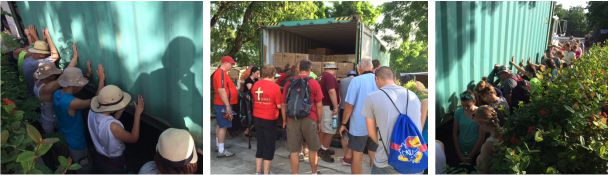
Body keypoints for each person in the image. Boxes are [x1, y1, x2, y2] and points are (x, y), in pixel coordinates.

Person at [363, 66, 422, 174]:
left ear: (377, 79)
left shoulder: (372, 97)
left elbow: (371, 133)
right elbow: (418, 127)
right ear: (393, 78)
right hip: (413, 159)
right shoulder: (413, 96)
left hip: (386, 161)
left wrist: (383, 144)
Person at [53, 65, 104, 173]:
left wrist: (87, 76)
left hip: (65, 135)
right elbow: (95, 101)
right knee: (85, 167)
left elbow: (72, 90)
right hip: (77, 142)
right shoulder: (73, 103)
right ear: (74, 85)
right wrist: (101, 80)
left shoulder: (57, 94)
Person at [88, 84, 145, 173]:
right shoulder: (114, 127)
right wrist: (137, 114)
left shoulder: (92, 111)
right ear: (113, 108)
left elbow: (108, 122)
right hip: (114, 161)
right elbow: (133, 138)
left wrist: (121, 108)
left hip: (99, 155)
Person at [33, 43, 86, 135]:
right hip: (52, 121)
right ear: (50, 76)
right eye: (54, 74)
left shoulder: (37, 80)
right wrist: (75, 57)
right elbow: (65, 74)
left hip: (46, 116)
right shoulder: (48, 88)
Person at [281, 59, 323, 174]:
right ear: (309, 70)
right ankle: (314, 172)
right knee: (313, 149)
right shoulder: (314, 83)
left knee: (294, 150)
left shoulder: (289, 83)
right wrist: (319, 121)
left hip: (292, 119)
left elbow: (283, 104)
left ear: (298, 69)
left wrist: (284, 120)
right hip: (310, 118)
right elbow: (319, 105)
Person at [339, 58, 378, 174]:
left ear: (359, 69)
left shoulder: (356, 81)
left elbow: (349, 105)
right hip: (376, 125)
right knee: (374, 154)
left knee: (357, 156)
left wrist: (343, 123)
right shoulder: (379, 80)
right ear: (372, 68)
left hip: (359, 126)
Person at [250, 65, 283, 174]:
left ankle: (258, 172)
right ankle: (266, 173)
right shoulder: (275, 87)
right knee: (269, 146)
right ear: (273, 74)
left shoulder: (255, 85)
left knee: (260, 144)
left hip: (257, 118)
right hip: (269, 119)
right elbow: (279, 105)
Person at [212, 56, 238, 157]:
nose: (232, 66)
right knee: (223, 126)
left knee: (220, 125)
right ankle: (221, 151)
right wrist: (227, 105)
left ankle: (219, 146)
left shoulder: (221, 73)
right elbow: (221, 90)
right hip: (223, 104)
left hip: (221, 103)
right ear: (226, 63)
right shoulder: (221, 73)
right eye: (231, 64)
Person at [23, 28, 60, 95]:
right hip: (38, 92)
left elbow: (39, 50)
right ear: (41, 55)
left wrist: (43, 40)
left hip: (34, 87)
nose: (45, 55)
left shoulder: (29, 57)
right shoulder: (34, 63)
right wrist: (48, 36)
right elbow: (55, 56)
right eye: (44, 53)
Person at [452, 92, 483, 165]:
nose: (465, 108)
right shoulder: (458, 113)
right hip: (461, 149)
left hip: (476, 151)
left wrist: (471, 156)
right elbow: (454, 134)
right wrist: (459, 154)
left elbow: (481, 137)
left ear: (474, 102)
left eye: (468, 106)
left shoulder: (480, 113)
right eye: (463, 106)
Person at [318, 62, 340, 163]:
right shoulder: (329, 77)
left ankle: (322, 147)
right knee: (330, 130)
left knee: (323, 129)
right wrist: (335, 107)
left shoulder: (321, 76)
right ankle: (324, 151)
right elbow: (331, 91)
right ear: (333, 69)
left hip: (323, 106)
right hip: (328, 107)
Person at [473, 106, 501, 174]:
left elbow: (484, 170)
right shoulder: (504, 133)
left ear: (482, 123)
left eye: (478, 124)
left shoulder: (489, 144)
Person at [338, 70, 356, 166]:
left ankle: (346, 156)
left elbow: (339, 95)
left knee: (344, 133)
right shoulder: (357, 81)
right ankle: (351, 156)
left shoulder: (342, 81)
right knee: (353, 133)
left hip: (342, 109)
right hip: (354, 111)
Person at [242, 66, 259, 136]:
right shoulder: (248, 80)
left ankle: (249, 130)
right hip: (248, 99)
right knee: (250, 115)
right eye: (257, 73)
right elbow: (251, 90)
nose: (258, 75)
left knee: (254, 115)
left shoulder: (256, 80)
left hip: (253, 99)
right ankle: (247, 130)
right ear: (253, 73)